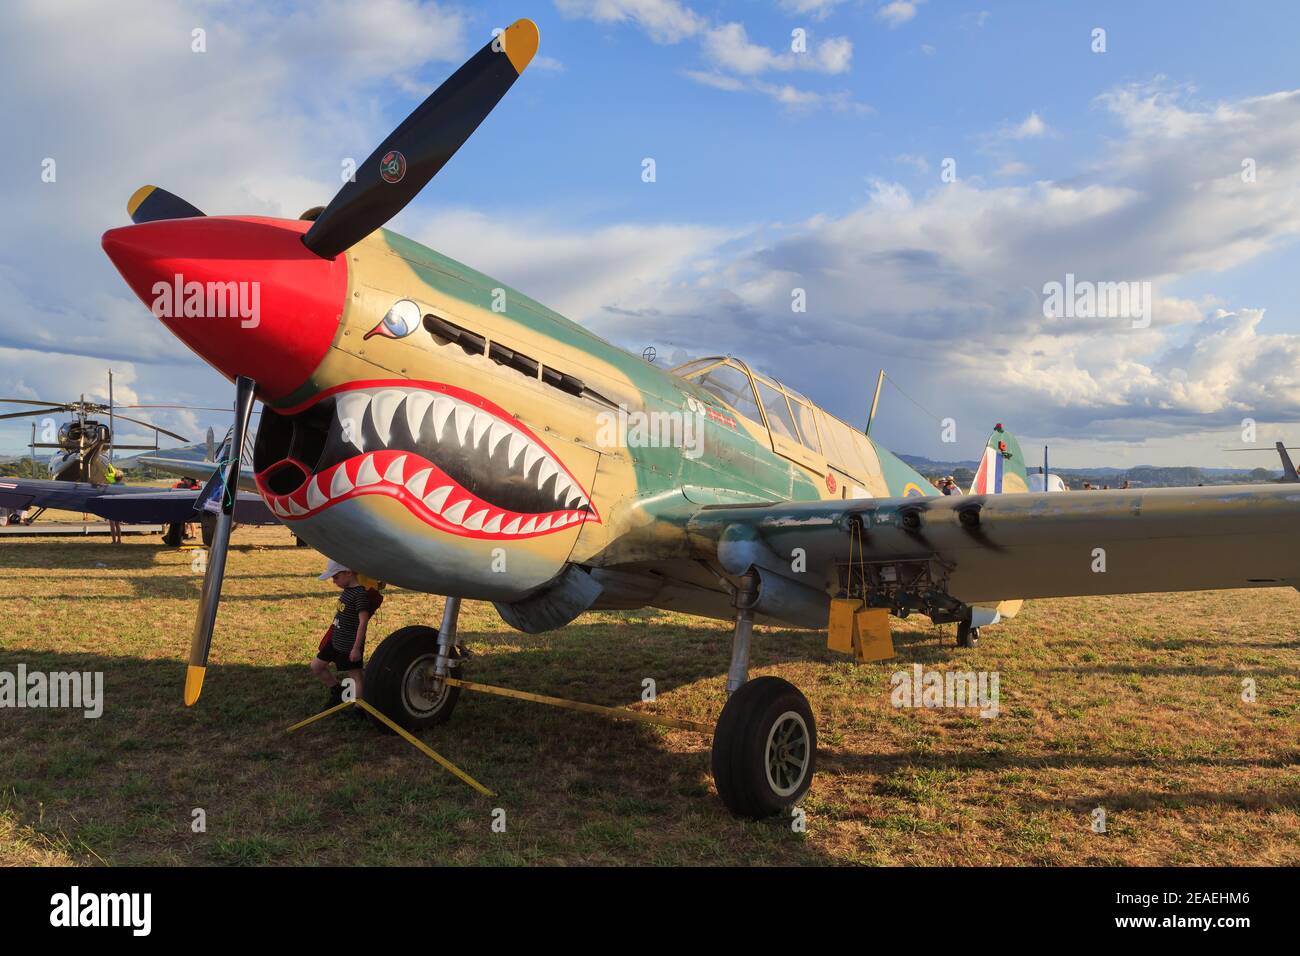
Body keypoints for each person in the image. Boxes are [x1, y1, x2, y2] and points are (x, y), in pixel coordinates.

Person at [310, 559, 373, 708]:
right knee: (316, 666)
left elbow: (363, 622)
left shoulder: (359, 594)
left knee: (356, 677)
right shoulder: (347, 590)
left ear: (349, 573)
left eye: (335, 577)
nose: (333, 581)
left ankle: (359, 708)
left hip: (349, 646)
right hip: (335, 641)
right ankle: (338, 691)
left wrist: (356, 648)